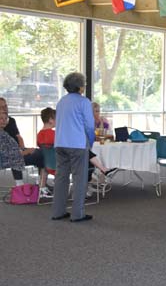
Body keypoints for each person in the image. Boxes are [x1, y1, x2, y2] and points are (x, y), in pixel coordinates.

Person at [36, 107, 116, 198]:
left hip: (49, 165)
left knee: (84, 153)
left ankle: (99, 174)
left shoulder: (39, 135)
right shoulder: (54, 134)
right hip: (64, 165)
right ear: (51, 120)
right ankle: (100, 173)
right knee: (85, 154)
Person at [51, 72, 96, 223]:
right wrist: (91, 141)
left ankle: (58, 212)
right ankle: (77, 214)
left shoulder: (61, 101)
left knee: (61, 178)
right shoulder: (84, 102)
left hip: (60, 143)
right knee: (79, 179)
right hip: (77, 145)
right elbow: (90, 126)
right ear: (80, 87)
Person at [0, 111, 26, 187]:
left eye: (5, 119)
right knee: (40, 155)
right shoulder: (2, 134)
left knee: (39, 153)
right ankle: (20, 185)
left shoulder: (4, 132)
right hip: (8, 157)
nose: (4, 120)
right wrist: (25, 152)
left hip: (15, 152)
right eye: (1, 118)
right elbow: (8, 152)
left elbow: (18, 137)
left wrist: (23, 149)